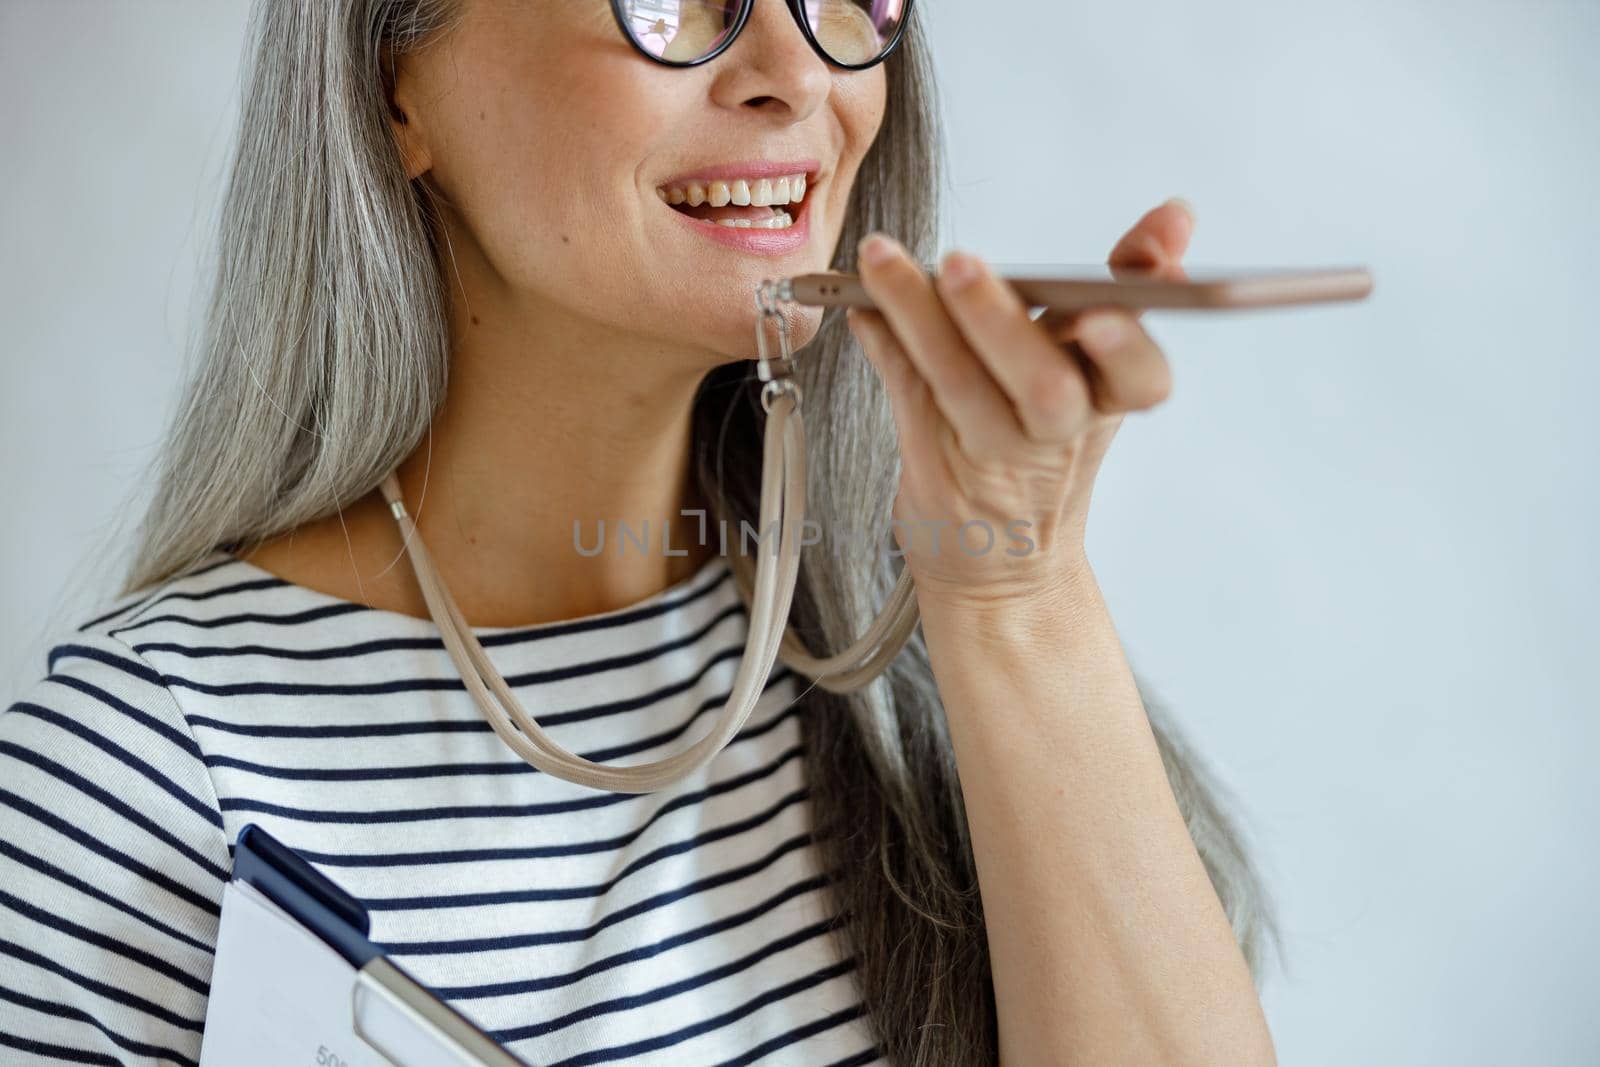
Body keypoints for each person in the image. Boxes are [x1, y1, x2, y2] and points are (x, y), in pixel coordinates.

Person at [0, 1, 1281, 1064]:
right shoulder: (140, 779)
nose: (795, 74)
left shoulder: (925, 636)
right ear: (399, 86)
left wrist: (1021, 591)